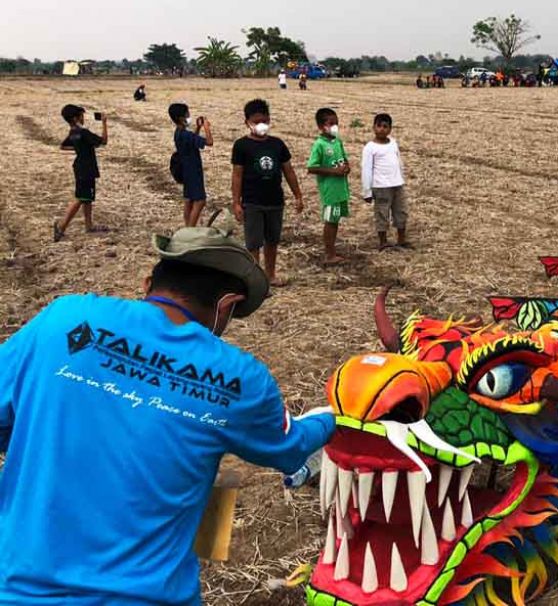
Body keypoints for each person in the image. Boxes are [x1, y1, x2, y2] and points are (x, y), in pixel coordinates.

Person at [0, 226, 335, 605]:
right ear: (226, 306)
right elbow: (291, 449)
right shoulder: (239, 378)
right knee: (220, 484)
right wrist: (332, 419)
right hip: (150, 597)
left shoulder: (64, 320)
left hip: (18, 590)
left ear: (148, 283)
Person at [231, 99, 304, 287]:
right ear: (246, 122)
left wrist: (298, 195)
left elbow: (288, 171)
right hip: (252, 202)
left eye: (264, 120)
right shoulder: (241, 146)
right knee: (254, 243)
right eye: (256, 121)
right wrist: (236, 202)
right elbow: (237, 175)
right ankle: (256, 282)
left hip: (275, 201)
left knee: (272, 241)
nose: (261, 125)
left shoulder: (277, 144)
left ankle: (270, 275)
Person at [54, 104, 108, 241]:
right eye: (81, 116)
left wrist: (80, 149)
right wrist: (104, 123)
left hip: (79, 166)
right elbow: (103, 141)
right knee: (81, 198)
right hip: (87, 169)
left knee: (87, 198)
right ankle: (61, 226)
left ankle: (89, 226)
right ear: (75, 118)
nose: (83, 118)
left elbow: (63, 146)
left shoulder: (73, 132)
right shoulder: (83, 132)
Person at [307, 107, 351, 265]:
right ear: (321, 126)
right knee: (330, 221)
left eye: (336, 123)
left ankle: (331, 250)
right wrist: (333, 171)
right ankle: (329, 254)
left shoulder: (337, 142)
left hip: (341, 190)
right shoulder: (319, 145)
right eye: (331, 123)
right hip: (330, 191)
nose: (335, 127)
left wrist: (346, 167)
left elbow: (344, 160)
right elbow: (312, 167)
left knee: (335, 220)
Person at [361, 113, 409, 250]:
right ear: (373, 127)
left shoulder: (393, 143)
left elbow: (399, 161)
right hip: (381, 187)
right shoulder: (370, 147)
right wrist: (367, 192)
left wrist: (401, 178)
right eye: (379, 126)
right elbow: (366, 169)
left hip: (397, 184)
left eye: (385, 126)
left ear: (390, 129)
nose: (382, 129)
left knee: (401, 212)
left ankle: (401, 240)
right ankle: (383, 242)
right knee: (382, 213)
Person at [169, 103, 213, 227]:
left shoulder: (179, 133)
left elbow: (193, 140)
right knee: (200, 201)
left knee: (189, 200)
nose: (189, 116)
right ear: (181, 118)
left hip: (185, 170)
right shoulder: (186, 135)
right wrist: (206, 127)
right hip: (194, 170)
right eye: (187, 114)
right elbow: (209, 142)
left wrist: (198, 128)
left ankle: (187, 226)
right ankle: (190, 228)